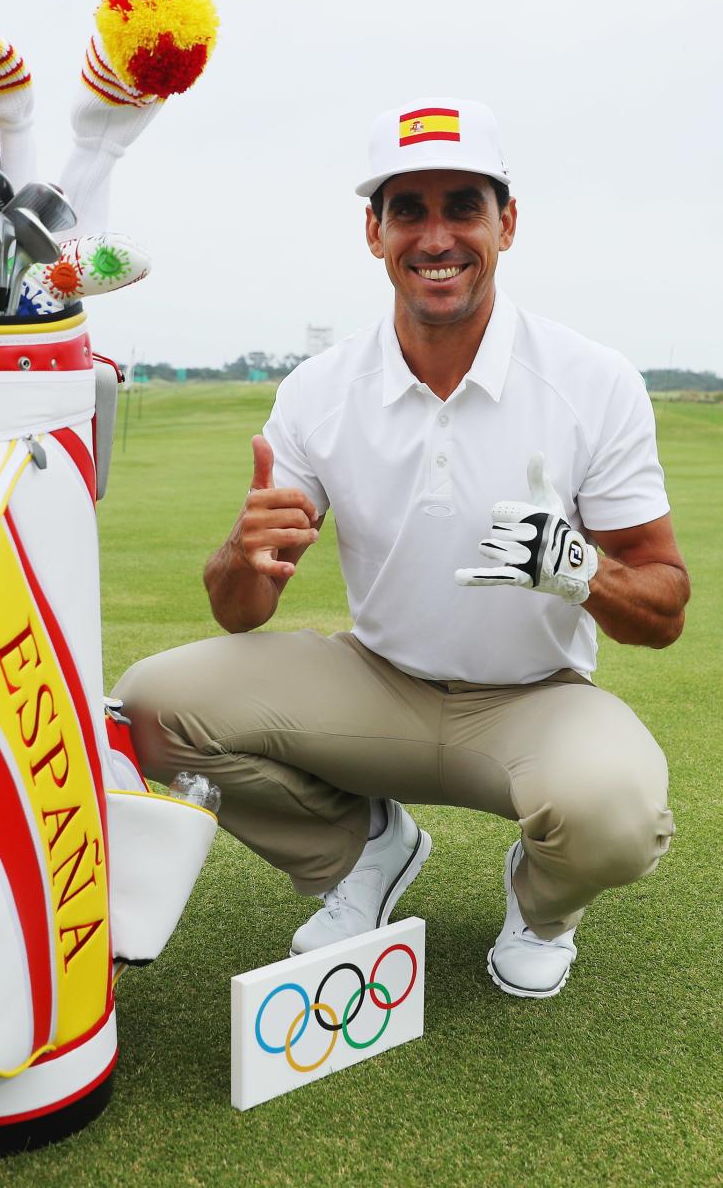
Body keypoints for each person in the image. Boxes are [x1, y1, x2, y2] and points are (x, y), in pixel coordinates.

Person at [117, 97, 688, 998]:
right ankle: (363, 853)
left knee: (616, 815)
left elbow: (664, 608)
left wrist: (580, 568)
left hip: (533, 701)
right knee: (147, 709)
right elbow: (241, 610)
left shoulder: (592, 380)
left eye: (462, 205)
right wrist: (240, 553)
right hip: (375, 685)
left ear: (506, 223)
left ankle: (542, 908)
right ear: (373, 233)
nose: (436, 236)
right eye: (408, 210)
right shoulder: (319, 389)